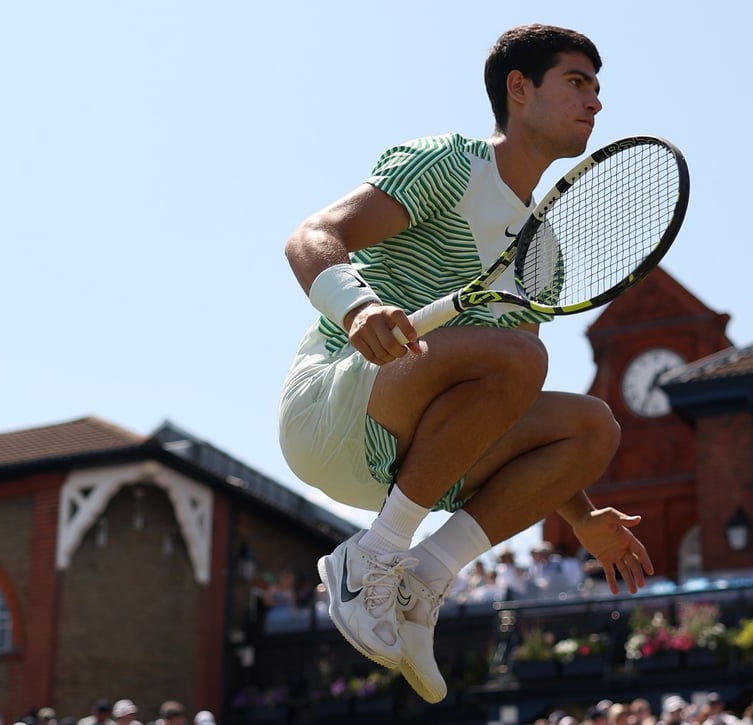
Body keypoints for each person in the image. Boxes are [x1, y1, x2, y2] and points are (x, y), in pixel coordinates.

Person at [278, 23, 654, 705]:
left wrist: (582, 516)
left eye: (598, 89)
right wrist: (360, 310)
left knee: (592, 427)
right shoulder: (452, 162)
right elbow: (312, 237)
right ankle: (371, 559)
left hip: (413, 463)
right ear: (519, 88)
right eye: (576, 82)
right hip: (334, 409)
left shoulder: (547, 259)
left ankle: (421, 578)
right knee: (520, 353)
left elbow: (504, 397)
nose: (594, 101)